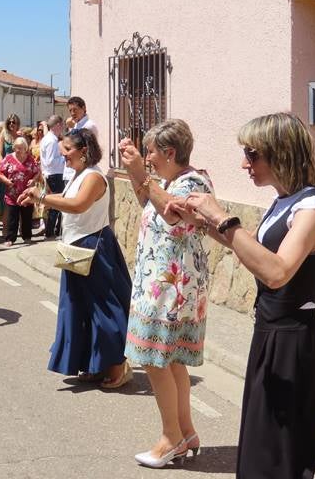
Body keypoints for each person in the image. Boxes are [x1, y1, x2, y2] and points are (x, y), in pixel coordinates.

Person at [174, 112, 315, 479]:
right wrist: (202, 220)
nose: (244, 163)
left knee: (278, 457)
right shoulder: (287, 201)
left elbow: (277, 272)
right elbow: (253, 251)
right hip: (272, 334)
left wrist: (222, 218)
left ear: (280, 153)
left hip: (293, 341)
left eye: (253, 154)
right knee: (259, 450)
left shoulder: (312, 210)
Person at [118, 119, 213, 468]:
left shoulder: (193, 183)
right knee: (169, 360)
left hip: (171, 290)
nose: (148, 158)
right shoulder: (171, 181)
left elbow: (173, 214)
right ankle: (184, 431)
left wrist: (142, 175)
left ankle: (170, 438)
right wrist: (135, 171)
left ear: (170, 152)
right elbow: (149, 199)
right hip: (165, 285)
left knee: (154, 359)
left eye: (152, 152)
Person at [18, 128, 132, 388]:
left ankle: (118, 366)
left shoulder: (93, 176)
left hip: (93, 247)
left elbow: (79, 205)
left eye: (68, 150)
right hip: (76, 247)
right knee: (80, 307)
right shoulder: (79, 175)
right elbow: (68, 199)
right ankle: (95, 364)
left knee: (103, 308)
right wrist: (40, 198)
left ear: (84, 150)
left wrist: (43, 198)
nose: (63, 155)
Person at [0, 136, 39, 246]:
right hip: (12, 194)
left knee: (26, 217)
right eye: (16, 148)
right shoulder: (9, 158)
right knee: (12, 218)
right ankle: (10, 238)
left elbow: (38, 172)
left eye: (21, 148)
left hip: (26, 194)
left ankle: (27, 237)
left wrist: (33, 180)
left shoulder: (30, 159)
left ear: (26, 148)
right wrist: (6, 181)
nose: (18, 150)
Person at [41, 115, 66, 238]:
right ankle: (50, 232)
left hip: (52, 174)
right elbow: (50, 161)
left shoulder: (49, 139)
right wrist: (64, 157)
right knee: (57, 204)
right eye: (62, 125)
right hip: (55, 174)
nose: (62, 128)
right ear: (57, 125)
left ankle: (53, 231)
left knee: (55, 204)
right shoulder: (51, 140)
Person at [0, 114, 21, 226]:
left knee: (18, 197)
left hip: (19, 172)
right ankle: (4, 223)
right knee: (3, 198)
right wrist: (6, 165)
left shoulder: (20, 137)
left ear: (17, 124)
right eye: (9, 122)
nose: (11, 124)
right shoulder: (3, 136)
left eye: (13, 122)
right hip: (5, 171)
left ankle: (17, 224)